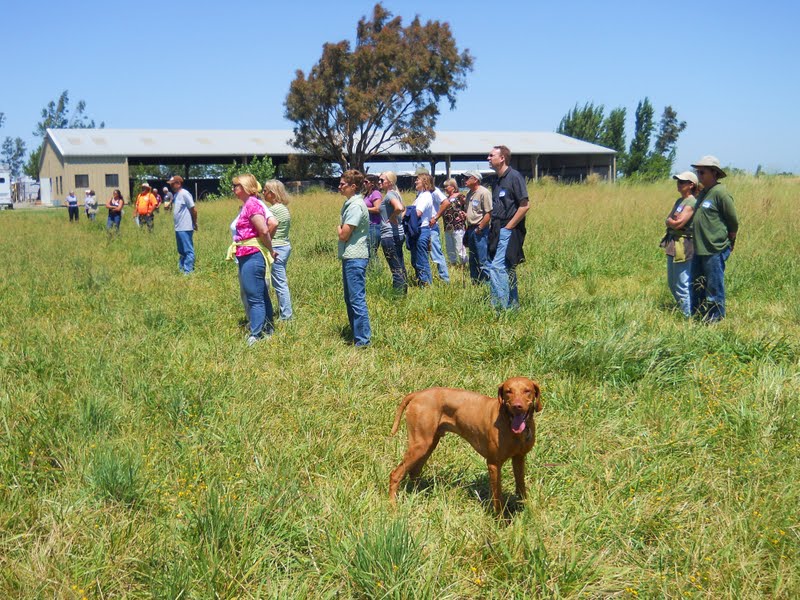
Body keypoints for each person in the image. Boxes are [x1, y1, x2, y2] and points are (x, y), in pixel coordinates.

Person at [228, 173, 278, 345]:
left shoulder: (252, 205)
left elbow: (264, 230)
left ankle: (255, 334)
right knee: (260, 294)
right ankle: (268, 328)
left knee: (254, 296)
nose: (234, 188)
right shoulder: (249, 204)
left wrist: (270, 249)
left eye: (236, 185)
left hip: (252, 255)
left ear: (245, 187)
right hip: (246, 254)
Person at [690, 155, 739, 322]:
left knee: (713, 286)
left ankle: (715, 319)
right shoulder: (704, 193)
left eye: (702, 172)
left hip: (714, 248)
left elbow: (733, 220)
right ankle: (698, 315)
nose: (699, 175)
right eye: (697, 172)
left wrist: (731, 240)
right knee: (697, 284)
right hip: (699, 248)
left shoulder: (721, 193)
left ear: (714, 173)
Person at [487, 145, 529, 309]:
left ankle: (498, 309)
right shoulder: (497, 181)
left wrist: (508, 228)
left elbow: (524, 206)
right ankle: (513, 307)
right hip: (497, 228)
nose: (488, 158)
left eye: (491, 155)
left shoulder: (514, 177)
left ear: (502, 158)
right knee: (508, 268)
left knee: (497, 268)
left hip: (509, 228)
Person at [337, 169, 371, 347]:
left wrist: (339, 228)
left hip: (355, 257)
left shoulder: (356, 206)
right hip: (350, 256)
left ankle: (362, 340)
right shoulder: (350, 204)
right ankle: (357, 335)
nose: (339, 187)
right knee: (351, 298)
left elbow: (344, 234)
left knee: (356, 299)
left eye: (343, 184)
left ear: (353, 186)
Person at [660, 171, 698, 317]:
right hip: (673, 242)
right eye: (678, 181)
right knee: (671, 281)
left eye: (682, 182)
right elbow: (669, 220)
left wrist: (672, 222)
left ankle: (687, 316)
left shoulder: (692, 202)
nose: (679, 184)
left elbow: (676, 223)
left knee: (682, 282)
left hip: (684, 244)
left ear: (691, 185)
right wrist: (672, 222)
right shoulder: (679, 201)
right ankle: (683, 309)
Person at [263, 179, 293, 321]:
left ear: (272, 193)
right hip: (284, 245)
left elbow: (269, 229)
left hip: (276, 247)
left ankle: (286, 316)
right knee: (280, 281)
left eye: (265, 191)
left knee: (280, 283)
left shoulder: (273, 210)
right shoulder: (283, 208)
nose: (263, 193)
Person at [377, 171, 408, 293]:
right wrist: (398, 218)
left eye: (382, 180)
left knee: (395, 268)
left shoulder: (390, 195)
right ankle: (404, 292)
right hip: (398, 234)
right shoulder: (396, 194)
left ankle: (398, 295)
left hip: (389, 235)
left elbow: (400, 208)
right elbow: (404, 208)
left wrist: (392, 217)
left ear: (389, 182)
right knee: (400, 265)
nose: (379, 182)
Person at [463, 170, 492, 283]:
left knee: (483, 259)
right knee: (473, 260)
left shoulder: (484, 193)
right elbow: (473, 212)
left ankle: (489, 285)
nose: (464, 180)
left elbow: (488, 213)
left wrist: (480, 228)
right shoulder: (469, 193)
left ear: (475, 179)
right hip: (470, 229)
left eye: (467, 178)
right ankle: (476, 284)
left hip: (480, 230)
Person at [431, 178, 467, 266]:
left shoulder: (460, 196)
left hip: (458, 225)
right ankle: (453, 264)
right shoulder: (445, 198)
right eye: (445, 187)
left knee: (460, 247)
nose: (445, 188)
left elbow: (467, 206)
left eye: (447, 186)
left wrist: (464, 215)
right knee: (450, 248)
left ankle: (463, 264)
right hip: (448, 226)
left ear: (453, 187)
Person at [408, 173, 435, 286]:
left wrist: (405, 212)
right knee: (416, 260)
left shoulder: (425, 196)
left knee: (421, 260)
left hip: (422, 231)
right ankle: (421, 282)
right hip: (418, 230)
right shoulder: (420, 195)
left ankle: (426, 284)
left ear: (425, 182)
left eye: (417, 180)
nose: (415, 182)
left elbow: (418, 213)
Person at [169, 175, 198, 274]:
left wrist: (194, 222)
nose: (171, 186)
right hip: (178, 228)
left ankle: (188, 271)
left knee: (188, 250)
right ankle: (181, 269)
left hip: (185, 227)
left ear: (178, 184)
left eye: (173, 184)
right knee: (181, 251)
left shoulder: (185, 194)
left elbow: (193, 209)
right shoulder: (176, 195)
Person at [428, 182, 450, 282]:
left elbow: (446, 202)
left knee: (436, 254)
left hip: (432, 227)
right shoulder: (421, 192)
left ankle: (445, 279)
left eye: (418, 178)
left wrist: (436, 217)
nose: (415, 181)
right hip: (424, 227)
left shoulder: (435, 191)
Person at [362, 174, 382, 264]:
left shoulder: (375, 193)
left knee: (371, 251)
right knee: (367, 252)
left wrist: (363, 209)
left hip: (374, 226)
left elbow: (378, 209)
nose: (364, 184)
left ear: (372, 183)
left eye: (366, 182)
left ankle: (376, 270)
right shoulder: (367, 194)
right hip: (367, 226)